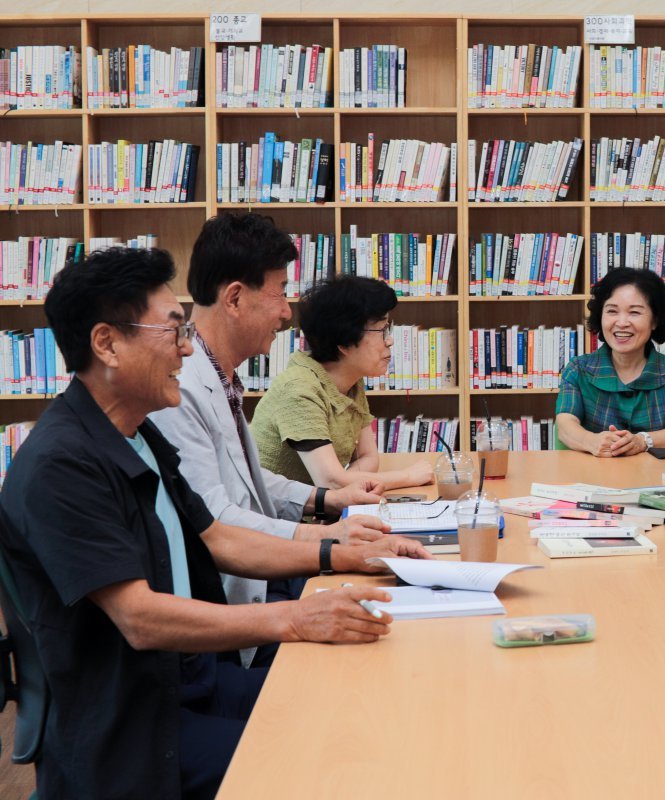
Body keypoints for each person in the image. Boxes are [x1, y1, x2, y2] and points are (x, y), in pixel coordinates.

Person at [0, 248, 428, 799]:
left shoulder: (138, 434)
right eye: (172, 331)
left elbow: (217, 537)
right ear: (106, 343)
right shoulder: (61, 465)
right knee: (334, 757)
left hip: (187, 682)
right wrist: (294, 617)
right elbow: (139, 618)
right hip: (132, 729)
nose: (185, 349)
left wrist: (339, 554)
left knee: (357, 704)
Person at [150, 213, 417, 667]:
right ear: (235, 298)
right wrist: (331, 542)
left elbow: (257, 484)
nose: (287, 312)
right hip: (231, 614)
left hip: (264, 581)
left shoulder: (222, 377)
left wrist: (325, 502)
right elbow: (219, 517)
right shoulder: (184, 389)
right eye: (278, 292)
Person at [251, 274, 434, 488]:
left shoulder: (350, 381)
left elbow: (367, 458)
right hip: (276, 516)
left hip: (319, 511)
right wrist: (408, 477)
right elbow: (330, 481)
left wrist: (349, 481)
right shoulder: (299, 389)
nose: (390, 340)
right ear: (344, 343)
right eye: (382, 330)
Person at [555, 267, 665, 457]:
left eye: (634, 312)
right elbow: (565, 425)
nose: (622, 322)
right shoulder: (578, 369)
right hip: (592, 479)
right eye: (612, 311)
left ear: (654, 320)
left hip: (654, 480)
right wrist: (594, 442)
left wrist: (642, 440)